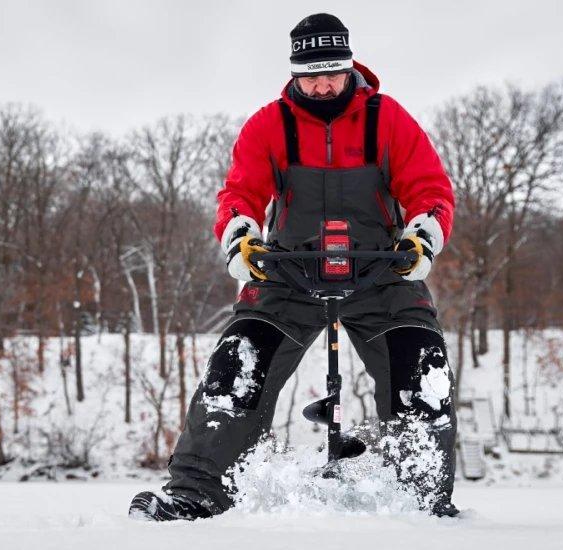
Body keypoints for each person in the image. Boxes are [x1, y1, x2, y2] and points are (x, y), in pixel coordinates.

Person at [129, 13, 457, 521]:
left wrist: (423, 236)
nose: (323, 84)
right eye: (311, 74)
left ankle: (421, 504)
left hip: (382, 271)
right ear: (293, 73)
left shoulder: (387, 118)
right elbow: (240, 194)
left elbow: (429, 189)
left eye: (332, 71)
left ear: (350, 67)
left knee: (422, 368)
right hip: (287, 271)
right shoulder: (269, 125)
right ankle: (196, 494)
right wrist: (240, 239)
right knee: (235, 367)